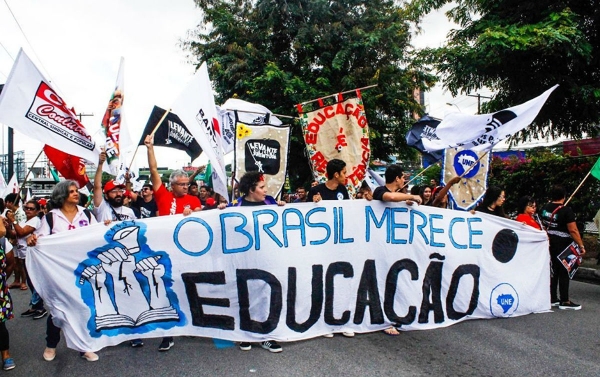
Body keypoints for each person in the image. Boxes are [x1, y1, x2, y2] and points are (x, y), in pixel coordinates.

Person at [27, 180, 99, 362]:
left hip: (83, 270)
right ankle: (51, 345)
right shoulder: (51, 218)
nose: (76, 194)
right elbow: (41, 241)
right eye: (72, 191)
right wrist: (33, 240)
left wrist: (105, 225)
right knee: (58, 310)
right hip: (59, 272)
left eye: (76, 191)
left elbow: (97, 237)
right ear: (62, 195)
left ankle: (84, 346)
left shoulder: (87, 214)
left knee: (83, 308)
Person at [145, 134, 201, 350]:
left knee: (187, 287)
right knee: (165, 291)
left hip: (186, 252)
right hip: (164, 251)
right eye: (182, 184)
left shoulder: (194, 199)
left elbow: (199, 217)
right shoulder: (162, 195)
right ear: (172, 185)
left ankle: (193, 324)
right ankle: (168, 333)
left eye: (188, 184)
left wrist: (194, 213)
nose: (186, 187)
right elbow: (153, 171)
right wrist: (150, 147)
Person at [219, 171, 285, 353]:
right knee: (244, 295)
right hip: (244, 260)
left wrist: (283, 208)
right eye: (262, 187)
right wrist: (221, 211)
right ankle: (245, 334)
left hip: (266, 259)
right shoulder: (235, 206)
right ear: (250, 189)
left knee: (266, 295)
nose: (265, 190)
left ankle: (266, 336)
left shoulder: (271, 203)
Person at [373, 164, 422, 336]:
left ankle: (395, 316)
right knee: (381, 283)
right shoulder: (379, 191)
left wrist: (406, 202)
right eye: (402, 177)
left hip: (395, 249)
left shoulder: (401, 197)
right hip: (380, 248)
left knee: (395, 283)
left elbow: (397, 199)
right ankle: (383, 320)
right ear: (396, 178)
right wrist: (410, 196)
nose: (404, 180)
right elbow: (390, 197)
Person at [540, 185, 585, 310]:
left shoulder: (545, 208)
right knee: (564, 270)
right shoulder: (566, 211)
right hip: (564, 245)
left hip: (549, 241)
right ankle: (565, 300)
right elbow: (573, 230)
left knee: (553, 270)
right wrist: (581, 245)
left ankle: (553, 297)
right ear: (564, 197)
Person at [7, 200, 46, 320]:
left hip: (33, 255)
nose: (28, 210)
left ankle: (40, 307)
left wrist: (13, 220)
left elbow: (22, 232)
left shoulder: (36, 221)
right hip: (23, 254)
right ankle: (35, 306)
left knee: (35, 281)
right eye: (26, 208)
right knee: (30, 281)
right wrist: (8, 226)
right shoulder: (25, 221)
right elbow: (15, 234)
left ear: (37, 211)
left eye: (31, 209)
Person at [93, 152, 137, 222]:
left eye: (120, 191)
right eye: (114, 191)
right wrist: (100, 164)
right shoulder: (102, 208)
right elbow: (97, 186)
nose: (118, 194)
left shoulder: (130, 212)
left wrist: (128, 181)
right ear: (106, 196)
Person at [0, 215, 15, 370]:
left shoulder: (3, 242)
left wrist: (3, 281)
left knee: (0, 326)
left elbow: (10, 264)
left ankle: (6, 355)